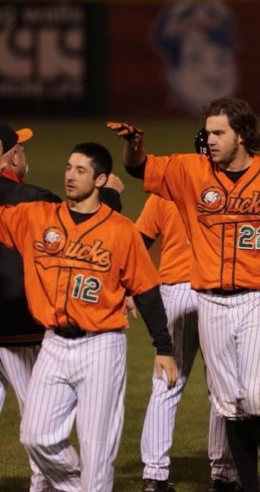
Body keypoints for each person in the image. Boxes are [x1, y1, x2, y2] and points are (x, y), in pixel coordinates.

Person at [118, 94, 260, 492]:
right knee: (228, 400)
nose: (210, 139)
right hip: (209, 299)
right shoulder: (190, 170)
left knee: (254, 394)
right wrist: (134, 147)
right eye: (208, 132)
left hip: (259, 297)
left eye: (219, 132)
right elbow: (139, 168)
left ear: (243, 135)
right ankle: (247, 484)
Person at [0, 142, 178, 490]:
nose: (70, 175)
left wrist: (164, 345)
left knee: (98, 448)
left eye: (80, 170)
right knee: (36, 436)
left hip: (101, 346)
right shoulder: (34, 217)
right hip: (51, 344)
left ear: (100, 180)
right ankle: (78, 485)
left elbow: (145, 289)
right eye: (68, 167)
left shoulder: (121, 230)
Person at [0, 123, 127, 491]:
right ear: (8, 155)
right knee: (37, 426)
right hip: (22, 328)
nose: (24, 153)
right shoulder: (32, 199)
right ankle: (62, 485)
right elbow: (82, 226)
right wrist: (112, 200)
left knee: (36, 429)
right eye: (19, 147)